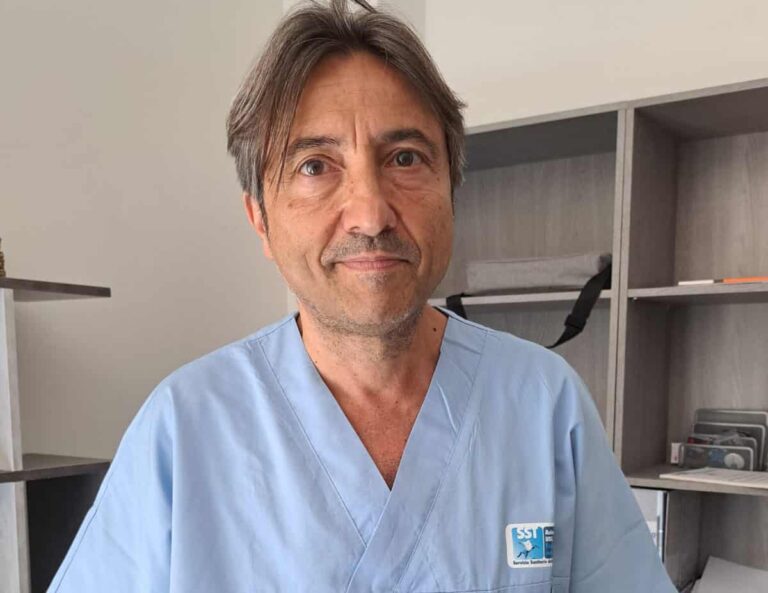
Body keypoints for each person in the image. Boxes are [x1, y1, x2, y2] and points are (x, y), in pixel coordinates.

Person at [48, 1, 677, 592]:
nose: (371, 214)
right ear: (260, 219)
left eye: (405, 158)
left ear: (451, 194)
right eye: (315, 166)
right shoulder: (183, 430)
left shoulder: (545, 405)